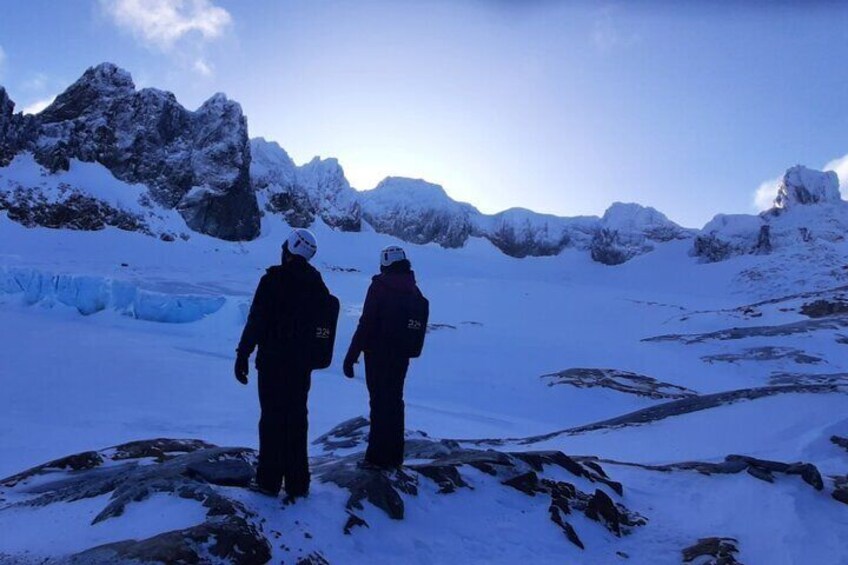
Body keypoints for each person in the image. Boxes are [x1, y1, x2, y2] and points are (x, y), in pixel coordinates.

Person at [235, 228, 327, 500]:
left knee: (272, 419)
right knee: (297, 418)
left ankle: (269, 480)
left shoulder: (273, 280)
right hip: (301, 366)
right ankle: (299, 482)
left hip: (273, 363)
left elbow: (257, 321)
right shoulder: (317, 283)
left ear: (289, 249)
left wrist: (243, 354)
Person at [343, 245, 426, 469]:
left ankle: (376, 458)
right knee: (395, 402)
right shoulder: (412, 289)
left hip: (377, 355)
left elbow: (367, 322)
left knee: (379, 403)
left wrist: (351, 355)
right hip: (401, 355)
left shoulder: (380, 286)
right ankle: (394, 457)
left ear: (385, 263)